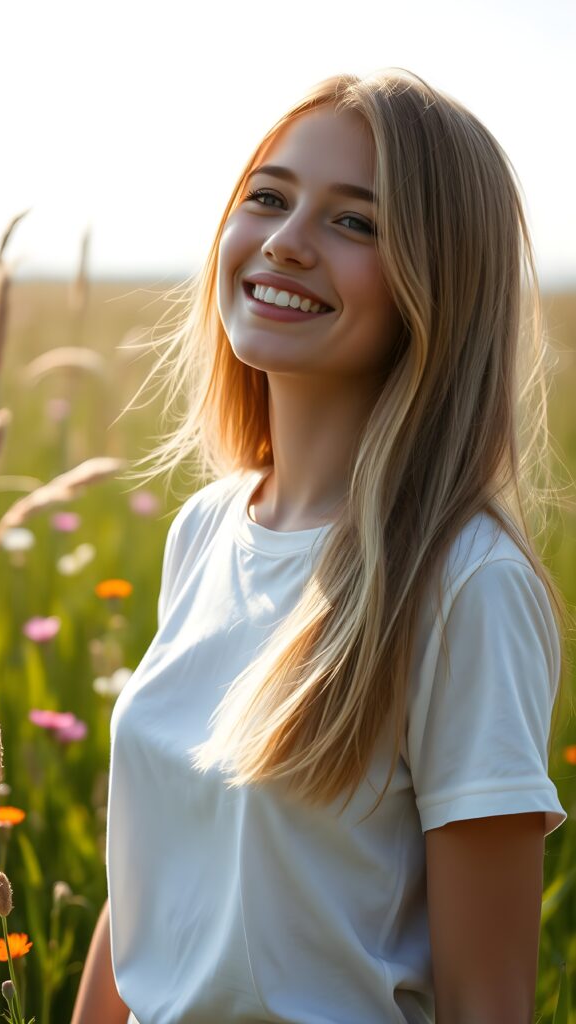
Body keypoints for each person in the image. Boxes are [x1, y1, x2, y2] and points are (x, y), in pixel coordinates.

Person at [71, 68, 568, 1024]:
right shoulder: (205, 531)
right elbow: (152, 888)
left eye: (355, 223)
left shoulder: (466, 583)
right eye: (268, 197)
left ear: (439, 281)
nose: (286, 242)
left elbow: (488, 999)